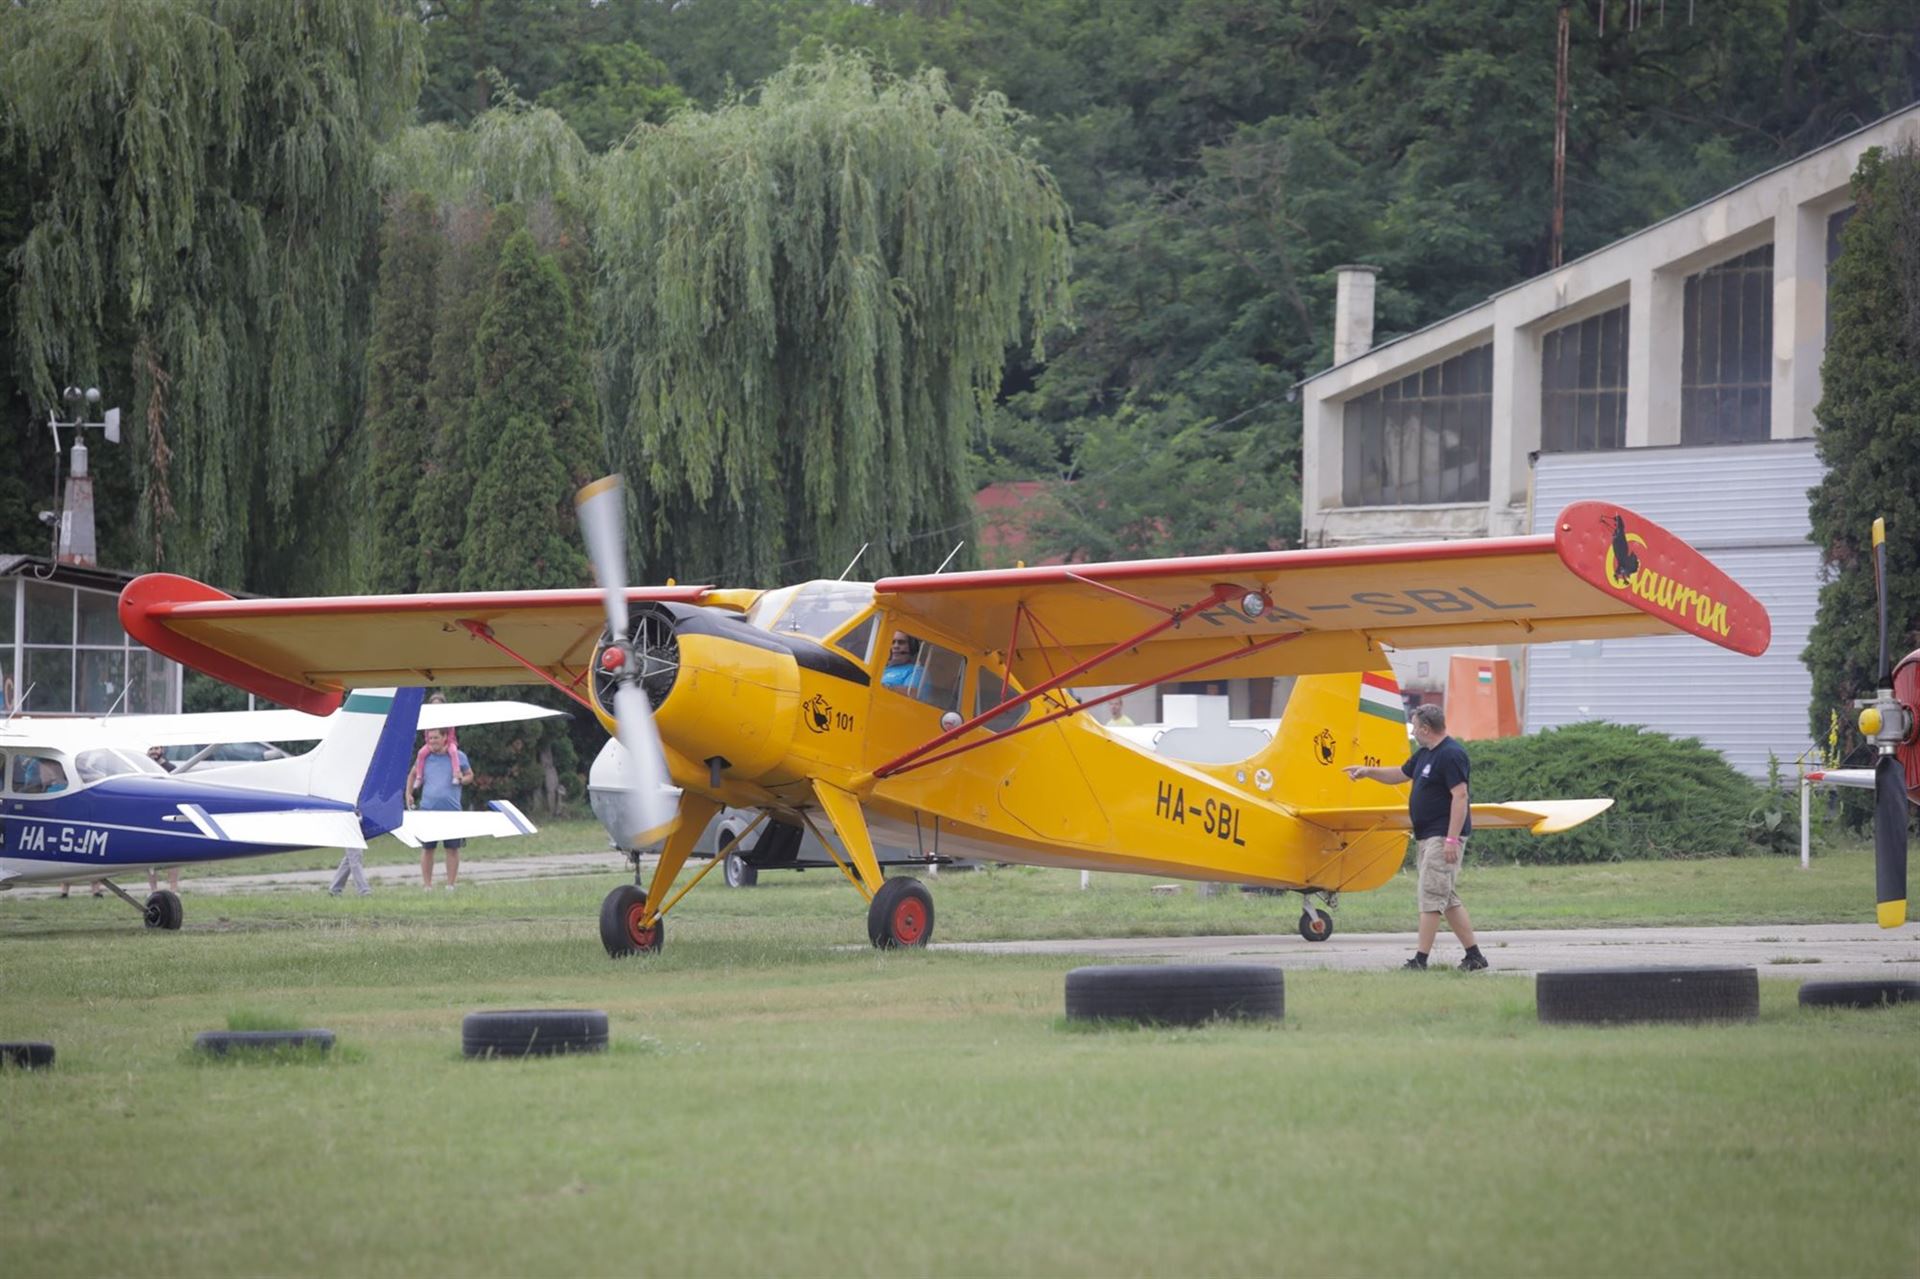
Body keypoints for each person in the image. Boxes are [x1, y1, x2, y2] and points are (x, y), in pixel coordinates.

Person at [1343, 703, 1488, 972]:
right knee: (1446, 898)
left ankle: (1420, 961)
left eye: (1415, 727)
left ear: (1426, 728)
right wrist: (1367, 771)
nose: (1412, 733)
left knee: (1431, 897)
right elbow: (1400, 774)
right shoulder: (1424, 754)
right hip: (1427, 836)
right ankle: (1475, 956)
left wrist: (1451, 840)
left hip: (1441, 836)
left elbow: (1460, 796)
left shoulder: (1451, 754)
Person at [409, 727, 472, 889]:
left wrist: (462, 779)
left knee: (452, 849)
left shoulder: (458, 756)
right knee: (428, 848)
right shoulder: (425, 756)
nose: (432, 741)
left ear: (445, 737)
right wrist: (408, 794)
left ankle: (450, 885)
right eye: (430, 738)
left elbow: (470, 776)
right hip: (428, 810)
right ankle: (427, 886)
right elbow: (413, 774)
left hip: (452, 811)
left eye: (436, 738)